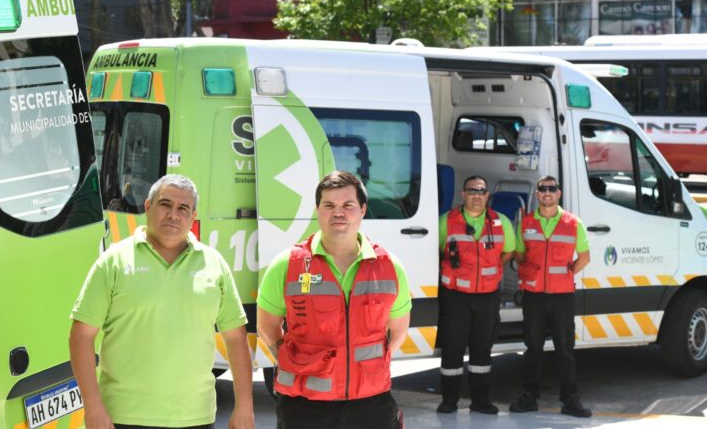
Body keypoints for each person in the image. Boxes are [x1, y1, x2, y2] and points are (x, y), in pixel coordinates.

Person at [69, 174, 254, 429]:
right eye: (165, 204)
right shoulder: (113, 262)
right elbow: (81, 336)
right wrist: (92, 406)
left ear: (193, 216)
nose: (173, 214)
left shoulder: (214, 265)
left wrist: (244, 407)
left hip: (196, 418)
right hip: (123, 417)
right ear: (148, 207)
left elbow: (236, 339)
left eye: (183, 208)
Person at [257, 171, 411, 429]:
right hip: (304, 406)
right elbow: (267, 327)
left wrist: (366, 368)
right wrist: (293, 361)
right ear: (318, 210)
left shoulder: (389, 267)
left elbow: (398, 331)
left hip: (371, 404)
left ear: (362, 210)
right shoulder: (287, 264)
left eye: (347, 205)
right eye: (329, 205)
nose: (338, 212)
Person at [509, 176, 592, 418]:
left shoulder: (573, 223)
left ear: (559, 193)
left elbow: (584, 257)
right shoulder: (526, 223)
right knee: (533, 348)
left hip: (562, 296)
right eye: (542, 189)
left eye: (551, 189)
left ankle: (570, 399)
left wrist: (566, 274)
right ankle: (529, 397)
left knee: (565, 349)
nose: (547, 192)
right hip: (534, 296)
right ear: (537, 194)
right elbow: (519, 255)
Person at [437, 175, 515, 414]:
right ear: (463, 194)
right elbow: (438, 252)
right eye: (472, 191)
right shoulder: (446, 221)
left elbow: (508, 253)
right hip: (456, 296)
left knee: (482, 350)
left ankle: (480, 401)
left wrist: (486, 276)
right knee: (453, 349)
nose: (477, 195)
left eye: (481, 191)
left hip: (487, 297)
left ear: (487, 195)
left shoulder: (501, 222)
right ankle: (449, 401)